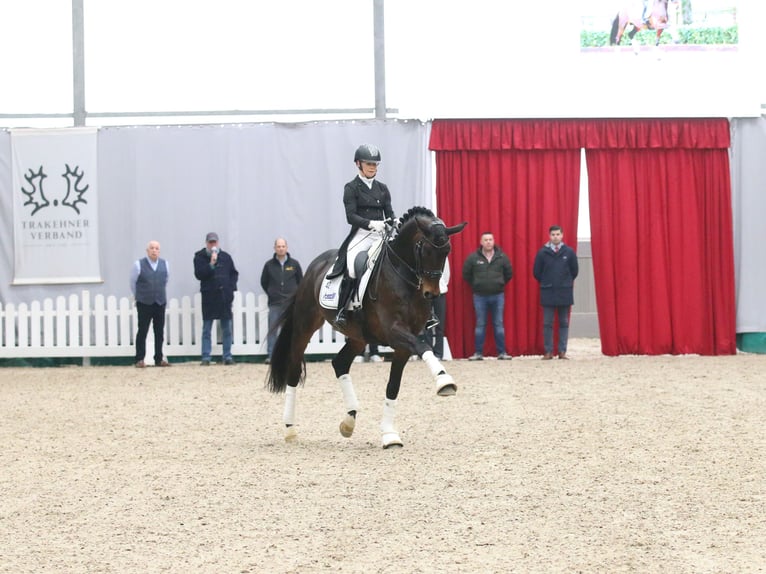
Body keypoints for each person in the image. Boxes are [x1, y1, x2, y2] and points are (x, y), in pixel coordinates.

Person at [332, 143, 395, 327]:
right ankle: (342, 311)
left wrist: (394, 220)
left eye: (375, 164)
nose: (372, 168)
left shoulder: (382, 188)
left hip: (381, 235)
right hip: (361, 234)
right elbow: (350, 216)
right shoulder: (351, 188)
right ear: (358, 164)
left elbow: (389, 212)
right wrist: (370, 223)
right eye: (369, 164)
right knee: (352, 267)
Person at [462, 231, 513, 360]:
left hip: (498, 296)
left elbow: (509, 274)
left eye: (490, 239)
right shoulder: (473, 258)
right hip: (480, 296)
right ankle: (478, 353)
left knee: (498, 324)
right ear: (481, 242)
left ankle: (502, 353)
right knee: (480, 324)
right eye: (486, 240)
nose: (488, 242)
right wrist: (476, 285)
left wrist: (499, 284)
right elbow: (466, 274)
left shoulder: (502, 257)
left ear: (494, 241)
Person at [533, 225, 579, 360]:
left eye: (558, 234)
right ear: (549, 236)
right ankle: (548, 351)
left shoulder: (569, 252)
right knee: (547, 322)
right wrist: (547, 282)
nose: (555, 237)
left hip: (564, 291)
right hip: (548, 291)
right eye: (553, 234)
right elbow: (536, 272)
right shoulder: (542, 252)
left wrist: (566, 282)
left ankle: (562, 351)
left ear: (562, 235)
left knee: (564, 322)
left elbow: (574, 271)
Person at [194, 232, 239, 366]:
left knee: (227, 328)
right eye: (210, 242)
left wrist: (231, 288)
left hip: (224, 296)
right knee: (207, 328)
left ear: (218, 243)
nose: (212, 244)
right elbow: (199, 274)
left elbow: (234, 274)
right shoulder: (199, 257)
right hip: (209, 296)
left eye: (214, 242)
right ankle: (206, 357)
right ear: (206, 243)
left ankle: (227, 356)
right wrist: (211, 264)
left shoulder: (226, 257)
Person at [260, 237, 303, 363]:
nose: (281, 248)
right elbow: (264, 282)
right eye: (278, 246)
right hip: (275, 303)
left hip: (290, 304)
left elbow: (301, 281)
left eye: (283, 246)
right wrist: (272, 293)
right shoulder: (269, 265)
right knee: (273, 330)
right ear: (275, 248)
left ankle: (291, 355)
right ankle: (272, 355)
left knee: (290, 330)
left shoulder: (294, 264)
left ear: (287, 248)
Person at [130, 240, 170, 368]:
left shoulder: (165, 264)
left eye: (157, 248)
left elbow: (166, 280)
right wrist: (139, 296)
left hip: (160, 302)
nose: (154, 250)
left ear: (159, 251)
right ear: (147, 251)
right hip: (144, 302)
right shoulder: (138, 264)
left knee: (159, 331)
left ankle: (159, 358)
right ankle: (139, 359)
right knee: (143, 330)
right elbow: (133, 283)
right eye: (152, 248)